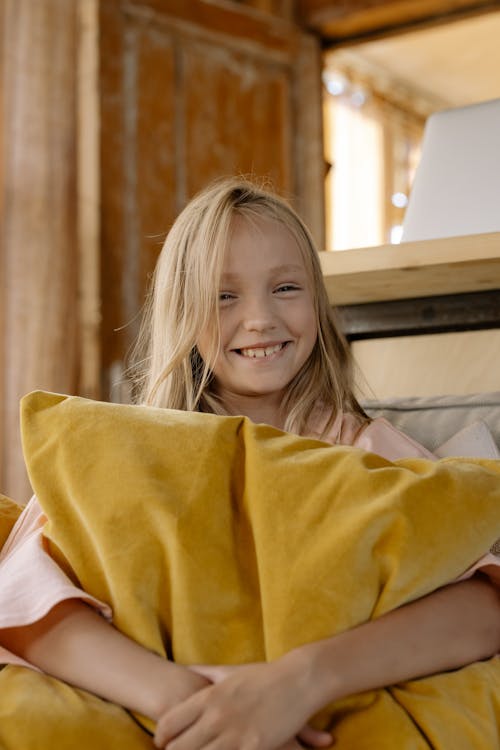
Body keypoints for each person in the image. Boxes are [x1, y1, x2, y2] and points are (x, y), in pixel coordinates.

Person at [0, 177, 499, 750]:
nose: (260, 319)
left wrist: (296, 685)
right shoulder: (124, 450)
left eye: (286, 287)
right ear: (181, 310)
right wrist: (198, 706)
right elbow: (22, 596)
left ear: (317, 300)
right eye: (224, 296)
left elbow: (483, 604)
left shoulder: (366, 454)